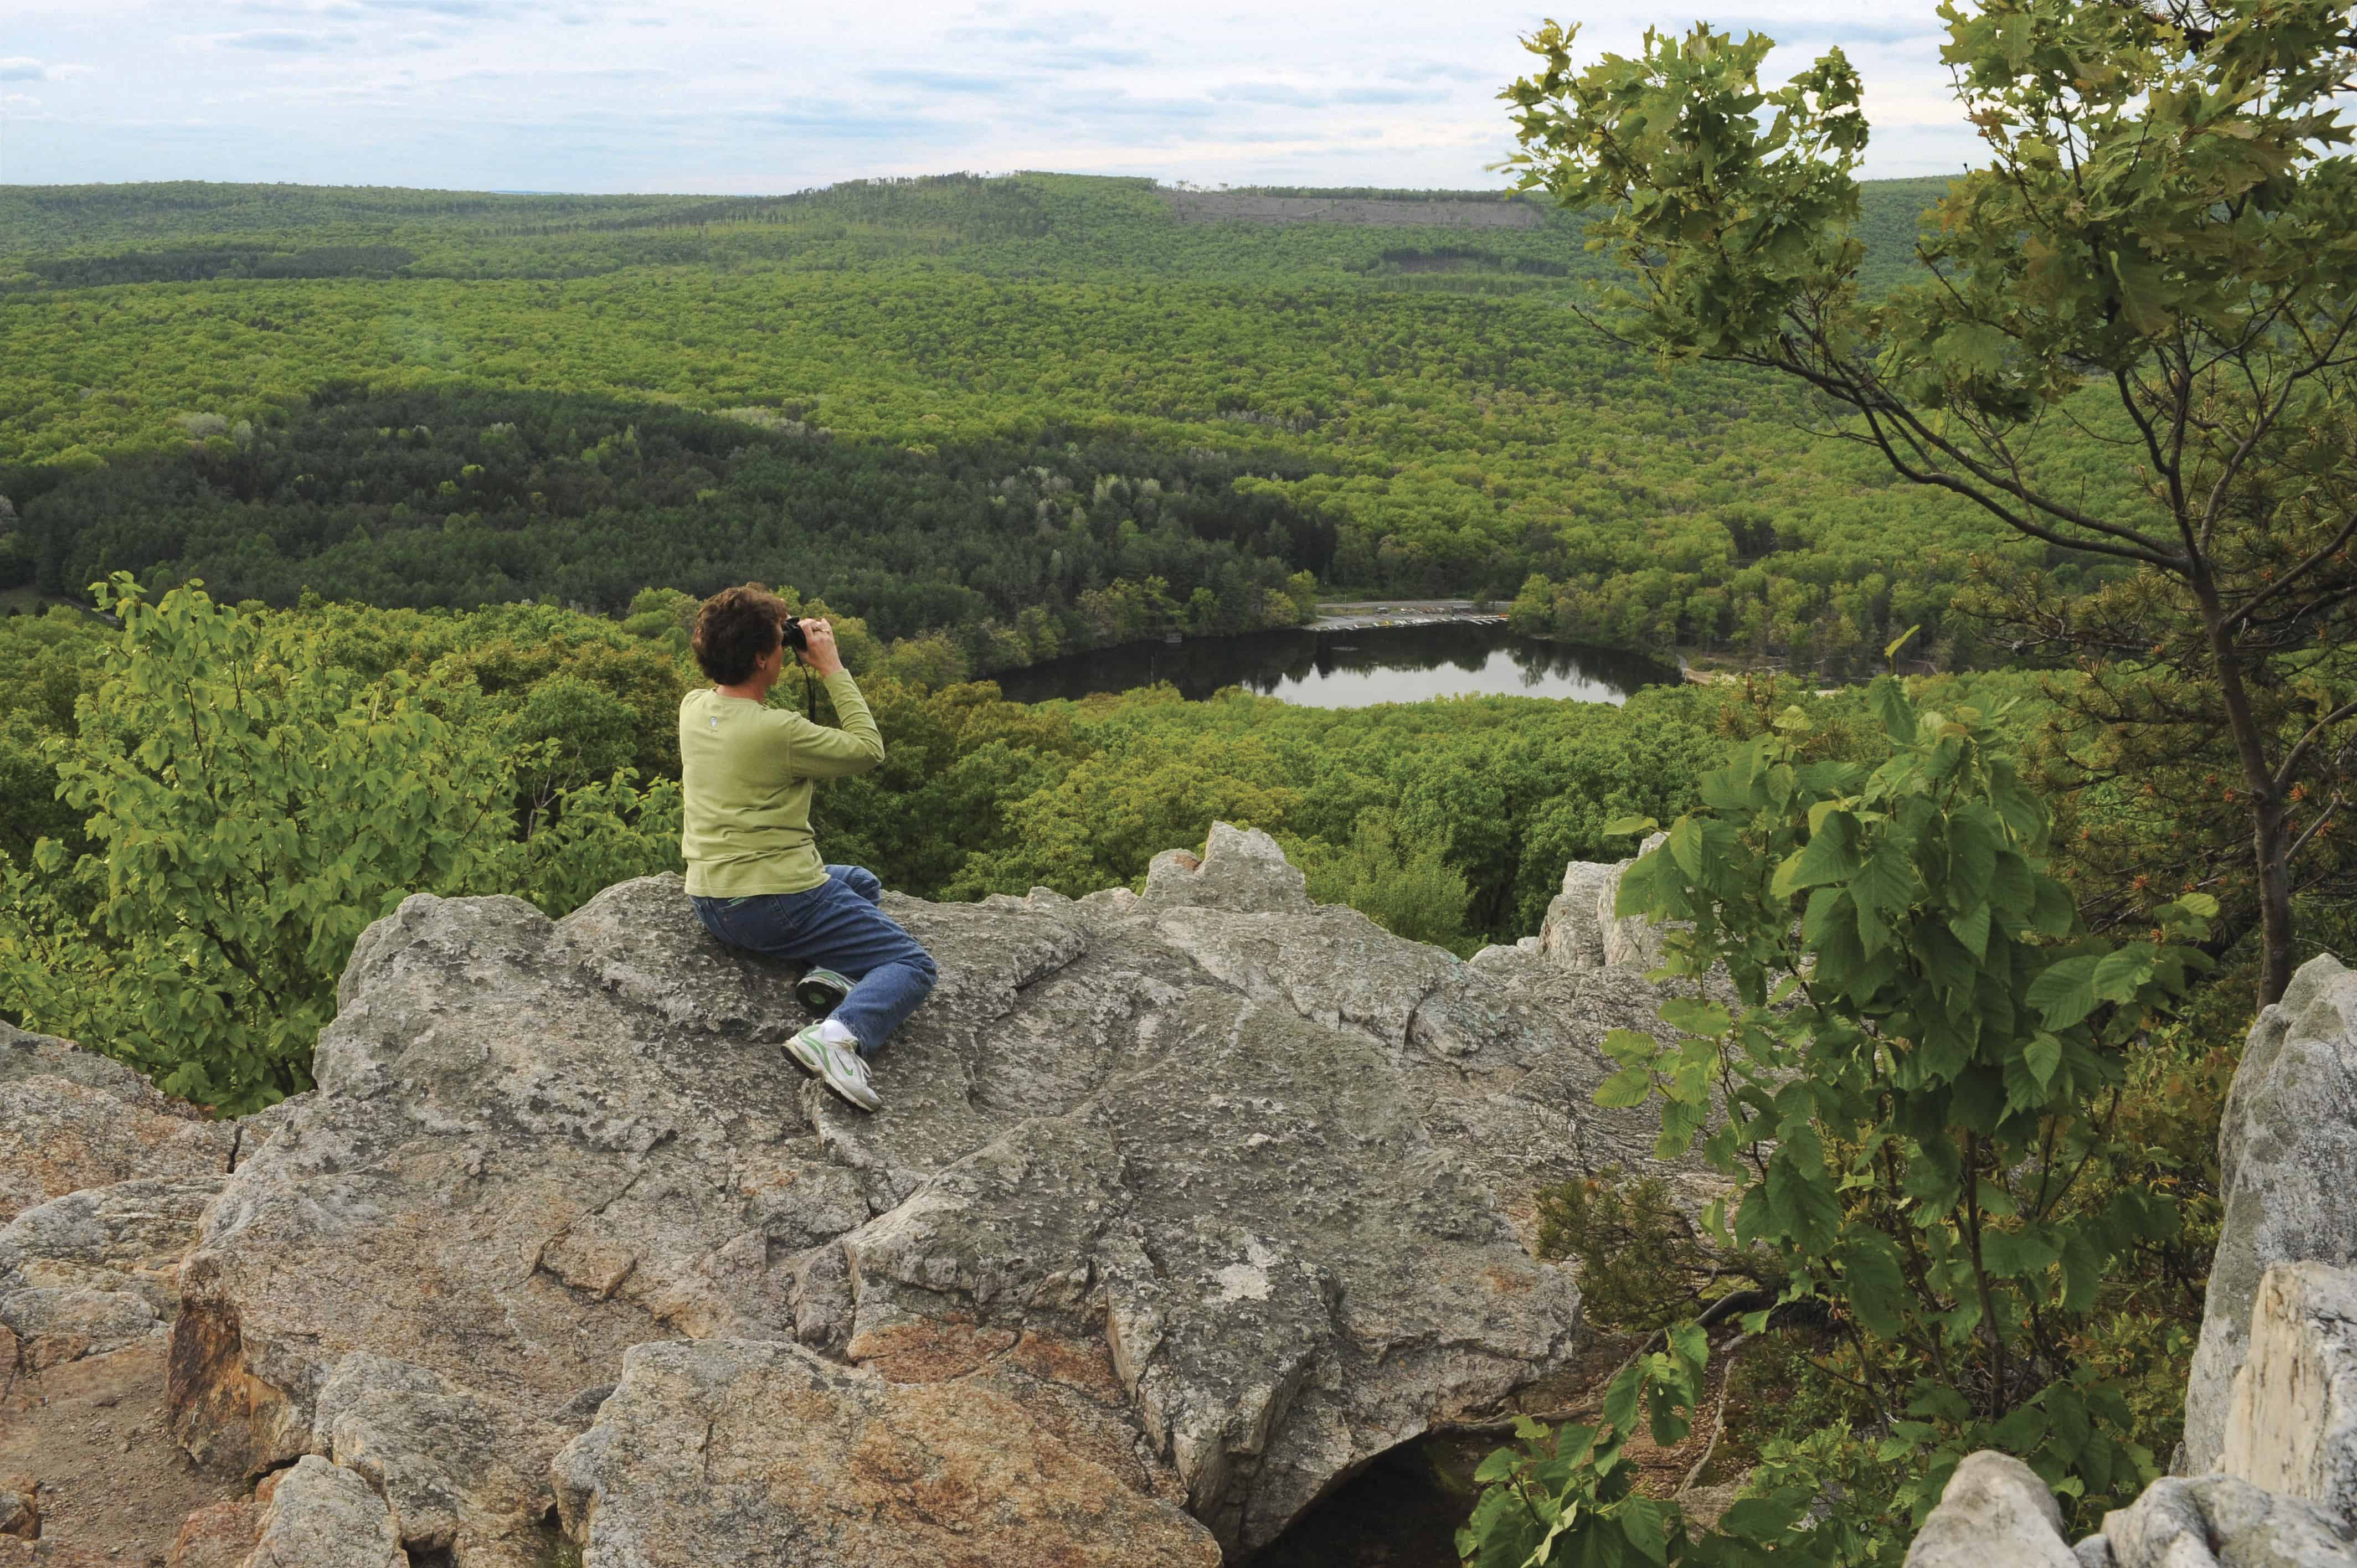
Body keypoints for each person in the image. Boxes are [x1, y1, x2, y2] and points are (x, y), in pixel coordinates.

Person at [677, 585, 935, 1112]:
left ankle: (832, 974)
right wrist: (832, 667)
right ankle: (837, 1037)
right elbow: (869, 749)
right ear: (762, 658)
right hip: (774, 900)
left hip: (712, 901)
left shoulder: (693, 706)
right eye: (778, 641)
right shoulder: (779, 731)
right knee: (911, 965)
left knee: (860, 883)